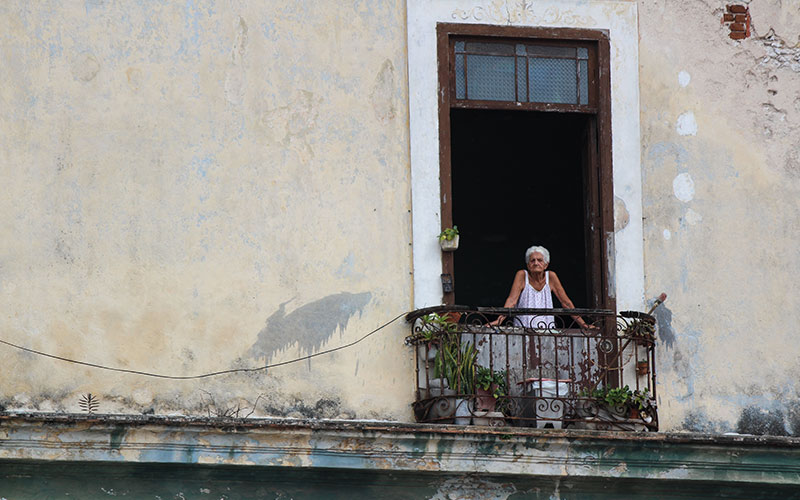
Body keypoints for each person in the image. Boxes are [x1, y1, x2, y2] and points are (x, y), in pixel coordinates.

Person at [497, 245, 592, 330]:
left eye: (540, 260)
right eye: (532, 260)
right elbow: (511, 301)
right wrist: (499, 320)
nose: (536, 263)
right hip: (523, 330)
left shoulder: (551, 277)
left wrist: (583, 324)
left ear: (546, 265)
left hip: (547, 330)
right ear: (528, 265)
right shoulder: (522, 275)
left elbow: (566, 303)